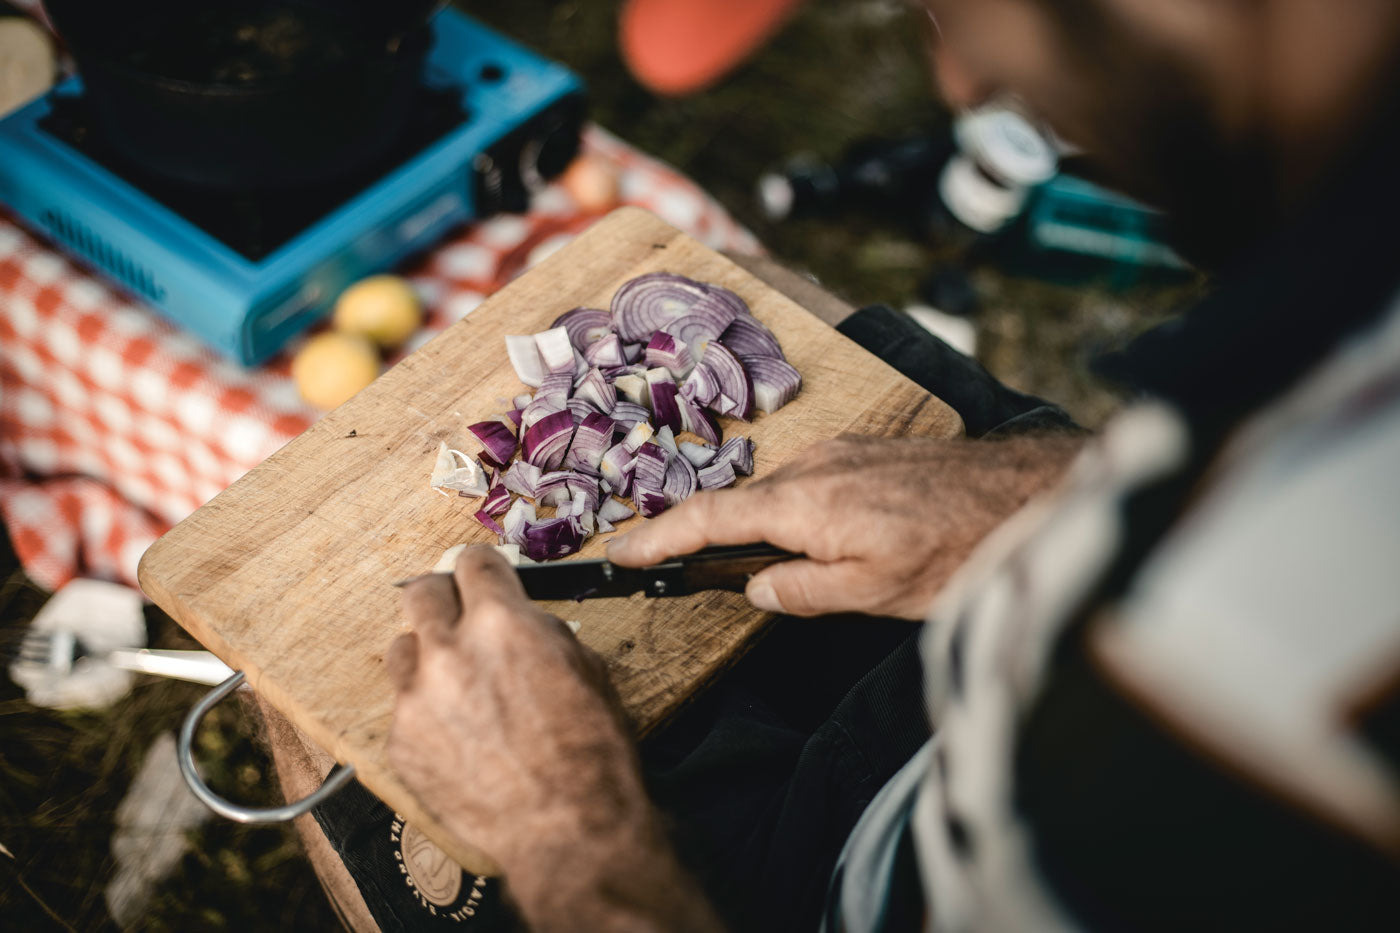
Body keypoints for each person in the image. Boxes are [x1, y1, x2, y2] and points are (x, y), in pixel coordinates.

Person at [333, 0, 1400, 929]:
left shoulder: (1246, 717)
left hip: (821, 883)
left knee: (332, 737)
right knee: (774, 287)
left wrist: (567, 829)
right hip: (989, 670)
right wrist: (1042, 499)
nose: (963, 83)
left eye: (962, 10)